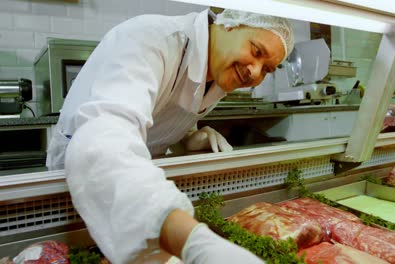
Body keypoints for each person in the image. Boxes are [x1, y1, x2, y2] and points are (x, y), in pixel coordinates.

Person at [46, 8, 294, 264]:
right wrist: (196, 243)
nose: (255, 72)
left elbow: (162, 106)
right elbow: (101, 141)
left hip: (143, 194)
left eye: (267, 69)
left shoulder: (220, 69)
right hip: (86, 185)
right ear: (230, 25)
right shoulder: (152, 39)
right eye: (256, 51)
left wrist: (189, 136)